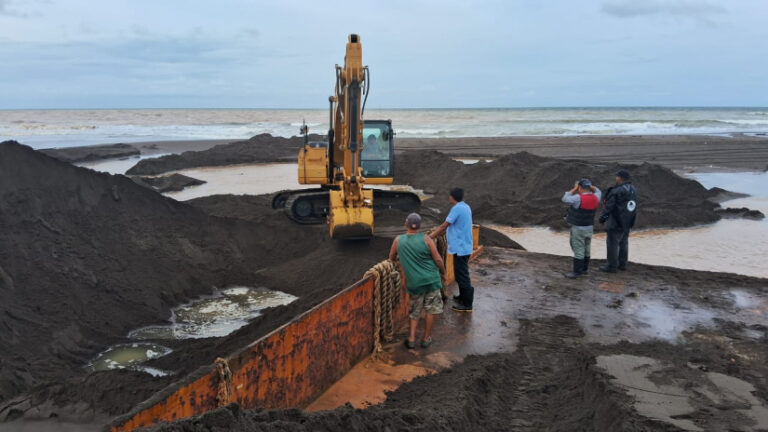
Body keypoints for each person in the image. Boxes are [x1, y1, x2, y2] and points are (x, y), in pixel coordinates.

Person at [389, 213, 446, 349]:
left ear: (406, 224)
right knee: (430, 310)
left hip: (415, 283)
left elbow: (391, 258)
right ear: (420, 226)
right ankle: (426, 339)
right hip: (432, 280)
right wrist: (443, 273)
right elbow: (438, 259)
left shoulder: (398, 240)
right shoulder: (427, 239)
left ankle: (412, 339)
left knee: (414, 311)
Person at [429, 187, 474, 312]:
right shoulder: (466, 207)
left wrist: (430, 237)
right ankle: (462, 297)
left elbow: (445, 225)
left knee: (462, 275)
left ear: (452, 197)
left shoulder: (457, 208)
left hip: (460, 247)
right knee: (461, 274)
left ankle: (467, 304)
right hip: (464, 246)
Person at [599, 169, 638, 273]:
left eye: (617, 177)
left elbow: (609, 207)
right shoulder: (633, 189)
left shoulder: (616, 190)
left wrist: (603, 218)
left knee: (612, 244)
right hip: (627, 221)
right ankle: (622, 264)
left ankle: (611, 266)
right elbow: (634, 206)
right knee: (624, 243)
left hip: (615, 222)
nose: (615, 178)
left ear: (620, 178)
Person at [561, 178, 601, 278]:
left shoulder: (578, 198)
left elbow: (565, 198)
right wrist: (590, 186)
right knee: (587, 248)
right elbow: (598, 190)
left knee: (578, 248)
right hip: (589, 227)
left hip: (578, 228)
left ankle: (577, 272)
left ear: (580, 187)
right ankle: (584, 269)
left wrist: (574, 189)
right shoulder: (596, 197)